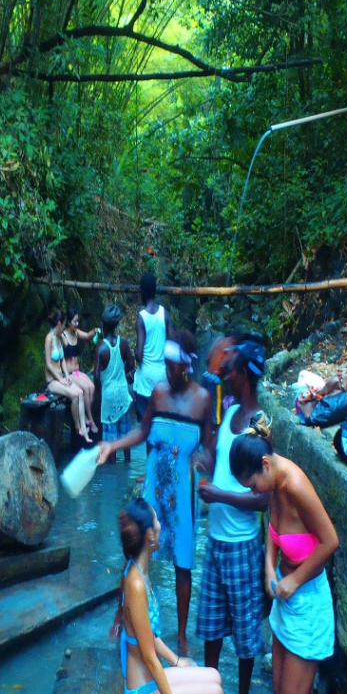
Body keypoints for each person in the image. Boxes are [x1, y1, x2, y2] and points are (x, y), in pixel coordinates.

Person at [229, 414, 339, 694]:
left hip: (307, 602)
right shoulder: (273, 483)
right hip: (285, 599)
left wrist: (292, 577)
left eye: (251, 484)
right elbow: (274, 530)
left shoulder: (292, 484)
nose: (251, 491)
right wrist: (268, 566)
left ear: (267, 467)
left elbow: (330, 541)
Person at [100, 330, 212, 655]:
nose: (167, 370)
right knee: (138, 553)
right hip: (155, 489)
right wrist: (112, 445)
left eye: (172, 364)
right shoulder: (158, 393)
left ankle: (180, 636)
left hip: (182, 495)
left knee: (182, 564)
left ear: (187, 366)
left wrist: (200, 458)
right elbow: (142, 431)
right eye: (164, 363)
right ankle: (124, 615)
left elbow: (208, 445)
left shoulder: (203, 400)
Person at [117, 498, 225, 694]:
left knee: (214, 676)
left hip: (148, 683)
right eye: (156, 521)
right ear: (150, 535)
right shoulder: (136, 583)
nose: (160, 524)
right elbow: (150, 658)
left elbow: (147, 638)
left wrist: (178, 661)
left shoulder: (137, 570)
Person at [196, 337, 268, 694]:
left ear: (244, 376)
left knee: (243, 633)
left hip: (241, 544)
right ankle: (207, 693)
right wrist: (203, 463)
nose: (226, 374)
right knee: (210, 625)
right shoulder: (231, 413)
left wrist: (220, 496)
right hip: (216, 541)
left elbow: (263, 499)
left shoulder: (259, 426)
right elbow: (221, 463)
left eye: (231, 370)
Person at [43, 308, 92, 444]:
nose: (65, 327)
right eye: (64, 324)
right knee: (75, 395)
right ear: (59, 323)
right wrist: (60, 379)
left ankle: (83, 429)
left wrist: (66, 376)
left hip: (61, 378)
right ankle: (77, 427)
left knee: (80, 392)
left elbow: (62, 359)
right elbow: (48, 363)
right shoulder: (49, 339)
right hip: (52, 381)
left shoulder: (58, 338)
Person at [93, 304, 135, 462]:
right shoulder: (123, 343)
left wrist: (98, 395)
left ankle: (112, 475)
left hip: (109, 397)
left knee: (110, 443)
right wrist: (122, 373)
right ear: (116, 325)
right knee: (125, 437)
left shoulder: (101, 349)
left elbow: (96, 377)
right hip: (123, 394)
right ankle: (127, 467)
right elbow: (131, 364)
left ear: (103, 324)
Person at [133, 272, 171, 422]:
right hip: (162, 377)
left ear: (142, 291)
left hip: (145, 380)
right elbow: (172, 342)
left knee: (146, 425)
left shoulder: (142, 317)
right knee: (160, 421)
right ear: (155, 291)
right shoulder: (165, 314)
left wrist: (135, 351)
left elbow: (140, 356)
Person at [62, 307, 100, 434]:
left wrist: (95, 330)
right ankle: (90, 419)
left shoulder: (76, 333)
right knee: (86, 388)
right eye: (75, 322)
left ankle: (86, 413)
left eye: (78, 321)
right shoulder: (63, 336)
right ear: (68, 322)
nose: (77, 324)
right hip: (69, 373)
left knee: (92, 387)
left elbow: (88, 335)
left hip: (77, 372)